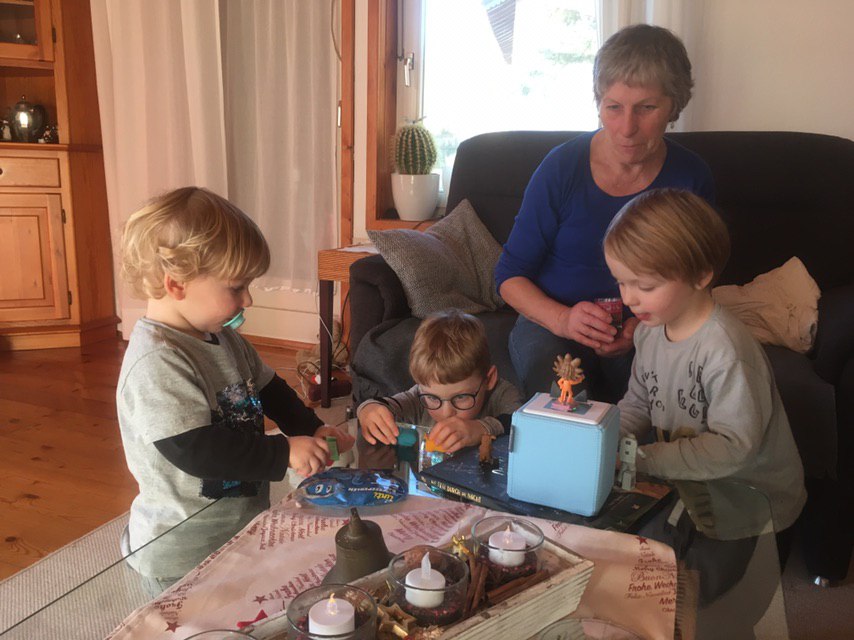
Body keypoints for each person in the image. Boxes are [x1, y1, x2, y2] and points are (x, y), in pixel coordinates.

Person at [116, 187, 353, 596]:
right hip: (181, 552)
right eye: (236, 287)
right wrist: (282, 452)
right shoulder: (157, 361)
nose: (248, 299)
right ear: (177, 284)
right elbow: (194, 450)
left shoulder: (224, 338)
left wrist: (310, 428)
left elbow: (271, 390)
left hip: (238, 530)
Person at [603, 188, 806, 604]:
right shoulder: (649, 333)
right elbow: (638, 403)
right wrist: (607, 439)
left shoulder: (726, 351)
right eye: (621, 281)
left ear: (700, 276)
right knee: (644, 575)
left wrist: (644, 459)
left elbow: (734, 447)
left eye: (645, 284)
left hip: (748, 505)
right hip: (693, 486)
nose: (628, 298)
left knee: (700, 603)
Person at [495, 24, 714, 403]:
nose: (627, 128)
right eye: (613, 108)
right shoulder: (561, 168)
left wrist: (643, 327)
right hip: (552, 325)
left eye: (646, 108)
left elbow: (698, 281)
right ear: (598, 103)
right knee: (566, 409)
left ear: (674, 106)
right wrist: (563, 320)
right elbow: (508, 277)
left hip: (651, 326)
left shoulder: (691, 177)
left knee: (663, 413)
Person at [357, 309, 522, 453]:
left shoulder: (503, 394)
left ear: (489, 379)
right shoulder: (418, 397)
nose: (446, 412)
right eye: (433, 398)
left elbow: (520, 427)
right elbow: (384, 405)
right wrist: (368, 410)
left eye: (461, 397)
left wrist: (481, 429)